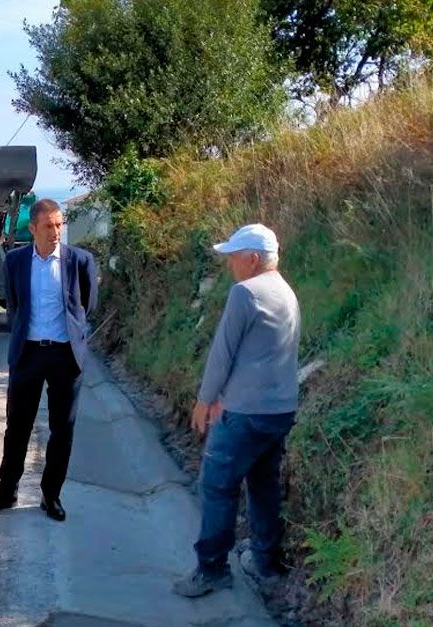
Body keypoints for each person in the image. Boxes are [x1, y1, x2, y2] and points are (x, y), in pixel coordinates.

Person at [172, 224, 301, 598]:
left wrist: (204, 399)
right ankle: (264, 562)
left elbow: (223, 352)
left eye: (233, 257)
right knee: (263, 483)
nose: (230, 264)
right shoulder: (286, 291)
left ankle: (211, 569)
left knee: (216, 484)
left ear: (253, 259)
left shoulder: (245, 293)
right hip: (279, 410)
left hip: (245, 412)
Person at [0, 198, 99, 521]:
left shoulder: (80, 262)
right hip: (28, 354)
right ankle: (6, 491)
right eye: (48, 226)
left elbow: (87, 305)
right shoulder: (15, 261)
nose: (56, 232)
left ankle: (51, 494)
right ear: (32, 229)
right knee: (17, 426)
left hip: (64, 355)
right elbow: (13, 306)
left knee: (62, 429)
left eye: (59, 225)